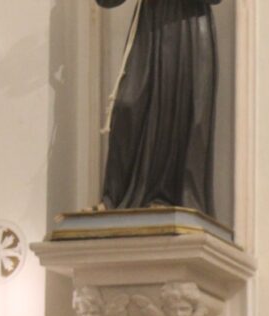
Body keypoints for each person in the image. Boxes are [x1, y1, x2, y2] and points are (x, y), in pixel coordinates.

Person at [95, 0, 221, 216]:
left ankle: (167, 196)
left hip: (188, 30)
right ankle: (115, 198)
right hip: (150, 30)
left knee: (182, 112)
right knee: (128, 106)